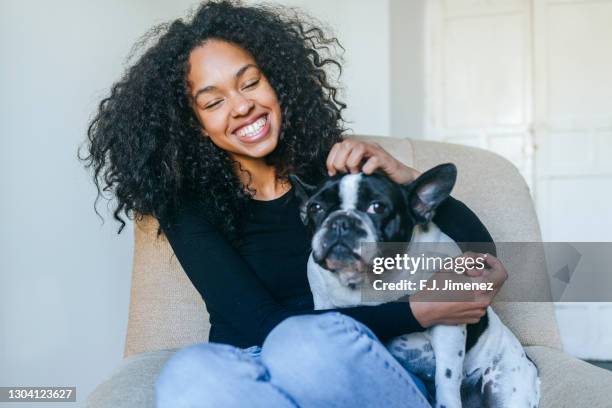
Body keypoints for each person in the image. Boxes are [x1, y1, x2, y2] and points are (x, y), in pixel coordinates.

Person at [81, 1, 507, 407]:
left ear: (279, 82)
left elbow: (482, 256)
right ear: (194, 125)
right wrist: (418, 311)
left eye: (250, 83)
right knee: (188, 372)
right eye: (213, 102)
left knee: (305, 347)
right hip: (253, 362)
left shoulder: (339, 175)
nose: (242, 105)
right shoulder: (184, 204)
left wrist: (401, 176)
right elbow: (259, 325)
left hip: (354, 364)